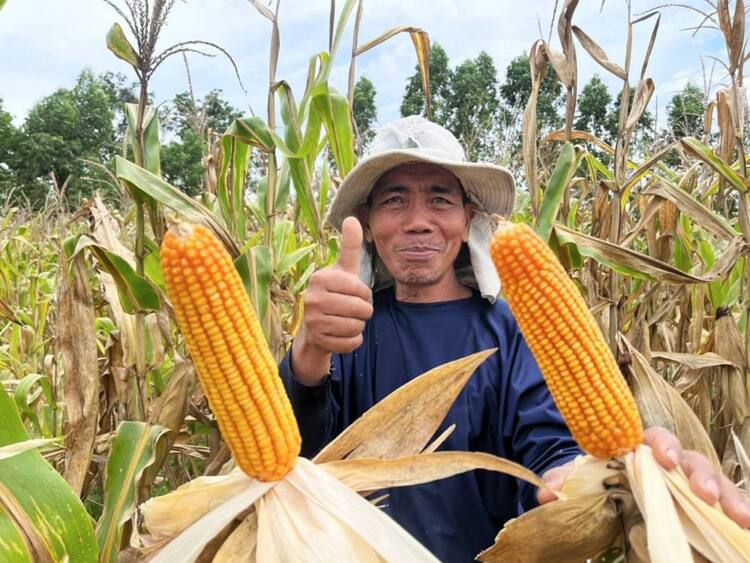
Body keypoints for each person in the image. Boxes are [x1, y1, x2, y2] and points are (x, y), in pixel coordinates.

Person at [280, 116, 750, 561]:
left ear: (469, 219)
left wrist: (617, 477)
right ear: (367, 222)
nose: (418, 221)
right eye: (395, 201)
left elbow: (551, 451)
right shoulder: (346, 330)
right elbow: (298, 461)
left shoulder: (514, 330)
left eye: (440, 200)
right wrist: (310, 349)